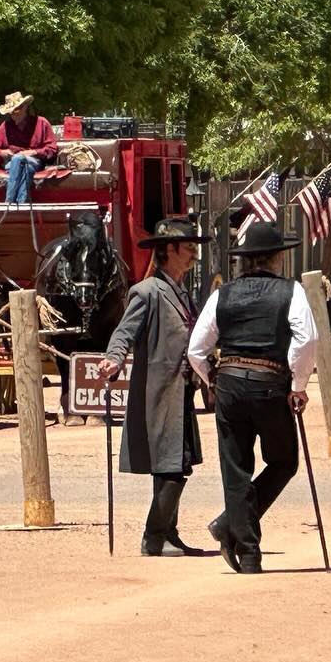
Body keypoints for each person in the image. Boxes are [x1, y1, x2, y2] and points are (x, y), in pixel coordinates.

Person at [188, 220, 317, 574]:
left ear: (245, 260)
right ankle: (231, 525)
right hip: (270, 383)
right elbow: (306, 341)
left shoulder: (222, 294)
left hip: (229, 382)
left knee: (236, 468)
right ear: (276, 258)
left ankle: (248, 553)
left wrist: (211, 379)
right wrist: (299, 385)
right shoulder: (291, 292)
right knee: (284, 461)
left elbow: (196, 349)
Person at [98, 217, 209, 556]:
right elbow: (123, 333)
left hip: (183, 392)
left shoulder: (183, 294)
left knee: (176, 465)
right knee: (171, 467)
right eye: (188, 247)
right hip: (159, 395)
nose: (193, 254)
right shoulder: (146, 292)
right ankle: (154, 537)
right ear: (168, 250)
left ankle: (169, 534)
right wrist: (114, 358)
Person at [0, 91, 58, 204]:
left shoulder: (42, 123)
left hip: (36, 162)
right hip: (13, 164)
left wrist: (33, 152)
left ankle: (9, 202)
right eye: (11, 112)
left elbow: (52, 149)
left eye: (17, 110)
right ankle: (22, 203)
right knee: (19, 162)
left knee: (20, 160)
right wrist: (3, 152)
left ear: (25, 107)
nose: (14, 115)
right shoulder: (6, 127)